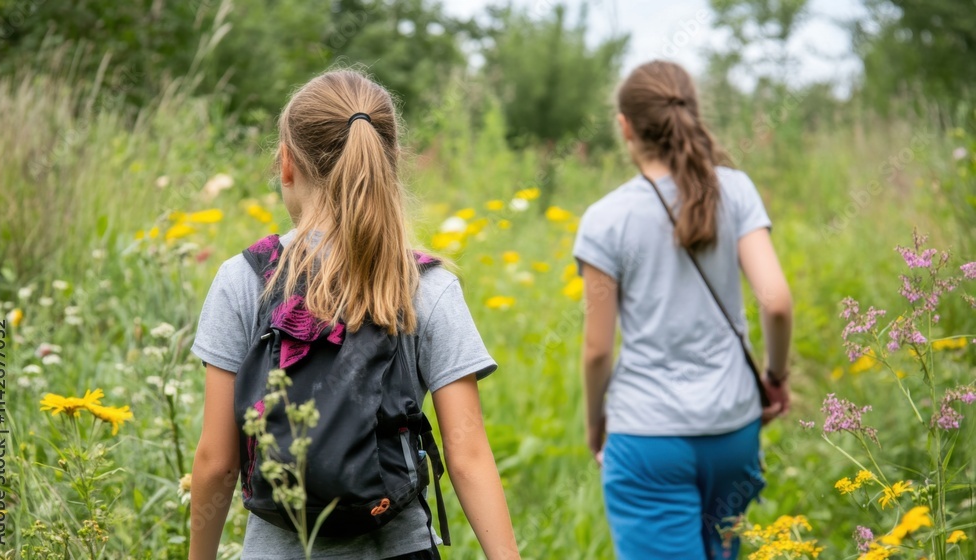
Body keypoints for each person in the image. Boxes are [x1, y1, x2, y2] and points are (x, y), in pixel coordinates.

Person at [188, 69, 520, 560]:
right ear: (390, 164)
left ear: (286, 164)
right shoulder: (425, 286)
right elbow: (468, 456)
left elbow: (217, 462)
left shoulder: (244, 279)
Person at [573, 60, 793, 559]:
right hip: (734, 430)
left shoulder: (605, 219)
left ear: (625, 126)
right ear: (691, 113)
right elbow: (776, 302)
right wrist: (775, 376)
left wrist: (594, 424)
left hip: (647, 436)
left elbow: (596, 351)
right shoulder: (735, 190)